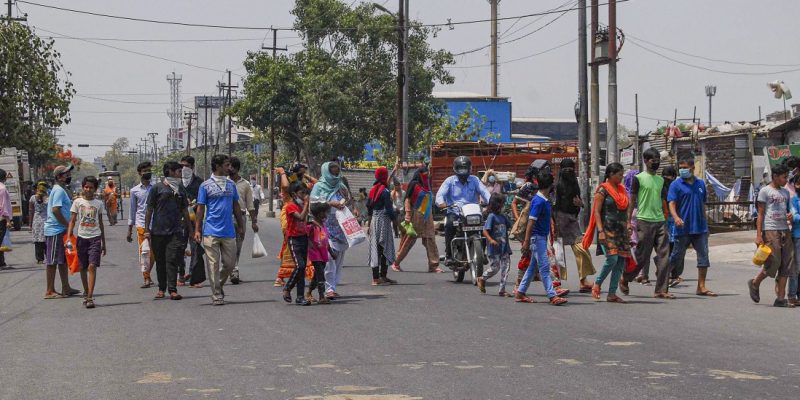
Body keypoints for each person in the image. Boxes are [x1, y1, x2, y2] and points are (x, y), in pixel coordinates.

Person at [621, 148, 673, 299]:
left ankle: (661, 290)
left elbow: (663, 200)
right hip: (644, 221)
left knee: (664, 256)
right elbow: (632, 200)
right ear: (645, 161)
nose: (655, 162)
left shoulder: (662, 180)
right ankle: (626, 278)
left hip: (660, 221)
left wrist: (666, 216)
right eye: (652, 159)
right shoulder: (639, 178)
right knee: (642, 257)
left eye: (657, 159)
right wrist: (628, 221)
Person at [194, 155, 244, 306]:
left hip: (229, 231)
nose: (229, 168)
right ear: (217, 166)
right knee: (213, 264)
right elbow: (200, 208)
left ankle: (219, 285)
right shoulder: (205, 186)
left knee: (229, 264)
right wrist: (197, 230)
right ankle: (216, 294)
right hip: (210, 230)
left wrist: (241, 225)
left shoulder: (231, 185)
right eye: (226, 165)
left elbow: (236, 206)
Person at [666, 159, 716, 297]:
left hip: (700, 228)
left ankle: (701, 286)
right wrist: (676, 217)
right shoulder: (676, 185)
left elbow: (702, 204)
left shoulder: (700, 184)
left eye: (685, 167)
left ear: (693, 168)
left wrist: (706, 225)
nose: (682, 169)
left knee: (703, 257)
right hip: (682, 227)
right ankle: (662, 282)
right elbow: (671, 203)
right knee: (676, 256)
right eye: (680, 167)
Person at [583, 163, 632, 303]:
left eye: (622, 175)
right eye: (619, 175)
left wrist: (628, 224)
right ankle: (597, 283)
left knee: (620, 262)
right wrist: (600, 231)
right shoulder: (602, 190)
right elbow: (597, 212)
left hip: (622, 232)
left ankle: (612, 293)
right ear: (610, 174)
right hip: (607, 230)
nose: (621, 177)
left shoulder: (622, 190)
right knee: (612, 259)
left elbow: (626, 209)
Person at [517, 173, 568, 305]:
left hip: (541, 238)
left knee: (532, 267)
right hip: (537, 238)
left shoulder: (544, 199)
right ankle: (552, 296)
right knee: (544, 268)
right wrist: (526, 242)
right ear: (551, 185)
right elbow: (531, 222)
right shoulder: (539, 201)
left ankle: (520, 292)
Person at [145, 161, 193, 301]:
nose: (180, 174)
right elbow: (149, 209)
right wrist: (147, 229)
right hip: (158, 231)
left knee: (172, 260)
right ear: (170, 172)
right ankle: (161, 289)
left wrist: (190, 229)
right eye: (178, 171)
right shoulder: (157, 188)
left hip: (175, 231)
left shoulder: (180, 189)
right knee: (160, 261)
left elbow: (185, 210)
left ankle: (172, 289)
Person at [748, 164, 794, 308]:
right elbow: (760, 214)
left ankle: (780, 298)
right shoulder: (765, 191)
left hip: (785, 230)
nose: (786, 180)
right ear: (775, 176)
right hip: (771, 231)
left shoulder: (785, 193)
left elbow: (788, 209)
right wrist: (759, 235)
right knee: (773, 262)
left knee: (787, 264)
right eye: (783, 177)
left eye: (787, 177)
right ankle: (755, 282)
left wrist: (790, 215)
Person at [435, 156, 491, 264]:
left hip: (473, 212)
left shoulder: (475, 179)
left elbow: (484, 192)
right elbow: (440, 195)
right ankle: (449, 255)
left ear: (470, 168)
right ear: (455, 168)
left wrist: (490, 201)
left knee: (486, 226)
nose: (463, 171)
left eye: (465, 168)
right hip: (455, 212)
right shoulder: (449, 181)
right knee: (449, 224)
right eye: (460, 168)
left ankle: (482, 253)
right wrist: (442, 204)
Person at [309, 161, 352, 300]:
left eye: (337, 171)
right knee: (329, 258)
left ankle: (333, 286)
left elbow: (349, 198)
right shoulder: (319, 187)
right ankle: (328, 289)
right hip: (325, 225)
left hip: (341, 225)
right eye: (332, 171)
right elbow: (313, 204)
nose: (335, 174)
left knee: (339, 258)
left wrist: (346, 201)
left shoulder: (340, 185)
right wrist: (329, 203)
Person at [553, 158, 596, 292]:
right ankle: (556, 283)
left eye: (571, 169)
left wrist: (581, 204)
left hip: (572, 220)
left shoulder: (574, 183)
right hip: (558, 220)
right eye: (566, 169)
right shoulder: (556, 186)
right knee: (558, 253)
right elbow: (553, 205)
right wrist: (553, 223)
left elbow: (578, 201)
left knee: (581, 248)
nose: (569, 171)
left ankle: (583, 281)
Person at [393, 166, 443, 273]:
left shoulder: (427, 186)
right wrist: (407, 214)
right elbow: (407, 200)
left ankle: (433, 265)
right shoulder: (414, 185)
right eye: (425, 173)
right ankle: (396, 262)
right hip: (415, 216)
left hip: (427, 217)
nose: (427, 175)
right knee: (409, 240)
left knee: (430, 240)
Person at [274, 163, 317, 287]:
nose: (302, 175)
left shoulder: (303, 187)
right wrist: (282, 172)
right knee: (289, 243)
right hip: (289, 215)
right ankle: (282, 275)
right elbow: (286, 186)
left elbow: (317, 183)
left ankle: (297, 272)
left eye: (303, 173)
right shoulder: (290, 187)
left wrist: (305, 176)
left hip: (302, 214)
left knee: (301, 246)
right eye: (300, 173)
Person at [66, 176, 106, 309]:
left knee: (92, 266)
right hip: (82, 238)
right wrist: (68, 236)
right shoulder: (77, 202)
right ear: (83, 187)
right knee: (83, 267)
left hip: (95, 238)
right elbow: (72, 220)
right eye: (86, 187)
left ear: (95, 189)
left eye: (91, 187)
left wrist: (104, 243)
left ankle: (89, 296)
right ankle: (85, 292)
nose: (88, 189)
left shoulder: (98, 204)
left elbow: (100, 223)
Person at [43, 165, 80, 298]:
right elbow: (55, 210)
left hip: (61, 230)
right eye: (66, 174)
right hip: (55, 230)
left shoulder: (61, 189)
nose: (69, 175)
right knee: (52, 261)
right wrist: (67, 224)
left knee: (63, 260)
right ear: (59, 177)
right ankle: (49, 290)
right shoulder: (58, 190)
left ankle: (66, 288)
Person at [229, 156, 259, 285]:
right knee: (226, 245)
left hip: (240, 217)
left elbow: (250, 205)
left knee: (238, 245)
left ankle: (233, 270)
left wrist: (254, 221)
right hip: (226, 217)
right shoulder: (224, 182)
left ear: (235, 168)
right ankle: (229, 270)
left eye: (229, 165)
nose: (227, 168)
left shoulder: (245, 184)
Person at [281, 182, 312, 305]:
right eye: (302, 193)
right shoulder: (291, 206)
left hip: (303, 237)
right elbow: (300, 217)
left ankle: (300, 297)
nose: (304, 196)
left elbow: (306, 220)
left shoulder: (302, 206)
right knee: (299, 266)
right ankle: (288, 288)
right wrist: (306, 204)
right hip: (294, 239)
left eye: (305, 193)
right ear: (294, 194)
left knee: (302, 268)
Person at [367, 166, 398, 285]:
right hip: (383, 221)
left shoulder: (372, 190)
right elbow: (389, 210)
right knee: (384, 248)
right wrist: (396, 225)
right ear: (384, 176)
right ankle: (382, 276)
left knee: (375, 249)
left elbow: (369, 209)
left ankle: (376, 277)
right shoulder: (385, 191)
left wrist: (369, 224)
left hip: (374, 221)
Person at [127, 161, 154, 288]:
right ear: (140, 173)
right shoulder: (134, 191)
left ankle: (147, 272)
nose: (147, 173)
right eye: (145, 171)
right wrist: (129, 229)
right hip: (141, 225)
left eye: (149, 170)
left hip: (156, 225)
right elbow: (132, 211)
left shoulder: (155, 188)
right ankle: (146, 278)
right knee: (144, 251)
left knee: (154, 253)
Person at [478, 193, 512, 296]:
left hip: (504, 248)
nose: (504, 206)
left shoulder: (503, 217)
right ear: (497, 205)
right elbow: (485, 231)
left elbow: (510, 226)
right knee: (495, 268)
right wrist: (491, 240)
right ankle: (482, 278)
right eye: (502, 204)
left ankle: (502, 290)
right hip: (494, 249)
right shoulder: (491, 217)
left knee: (506, 268)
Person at [180, 155, 205, 288]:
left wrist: (195, 204)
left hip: (195, 221)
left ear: (192, 167)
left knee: (195, 248)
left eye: (187, 166)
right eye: (182, 166)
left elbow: (202, 202)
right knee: (180, 248)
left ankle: (193, 276)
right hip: (179, 221)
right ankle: (181, 274)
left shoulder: (200, 182)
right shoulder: (176, 182)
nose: (184, 169)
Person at [307, 202, 332, 305]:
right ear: (317, 214)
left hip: (323, 252)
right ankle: (321, 296)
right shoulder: (311, 225)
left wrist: (331, 252)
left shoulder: (323, 224)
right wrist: (309, 244)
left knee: (317, 275)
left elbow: (326, 239)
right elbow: (306, 235)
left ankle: (308, 292)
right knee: (320, 273)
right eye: (323, 213)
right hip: (315, 252)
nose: (325, 215)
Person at [29, 181, 48, 264]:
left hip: (36, 220)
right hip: (46, 220)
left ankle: (40, 258)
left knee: (38, 240)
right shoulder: (48, 198)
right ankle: (49, 256)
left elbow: (30, 211)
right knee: (46, 239)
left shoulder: (33, 198)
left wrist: (30, 223)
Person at [788, 176, 800, 306]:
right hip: (797, 236)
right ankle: (791, 295)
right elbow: (795, 216)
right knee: (795, 268)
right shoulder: (794, 200)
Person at [0, 169, 12, 270]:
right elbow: (3, 206)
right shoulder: (2, 189)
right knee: (0, 241)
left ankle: (2, 263)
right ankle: (1, 264)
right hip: (1, 219)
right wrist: (8, 220)